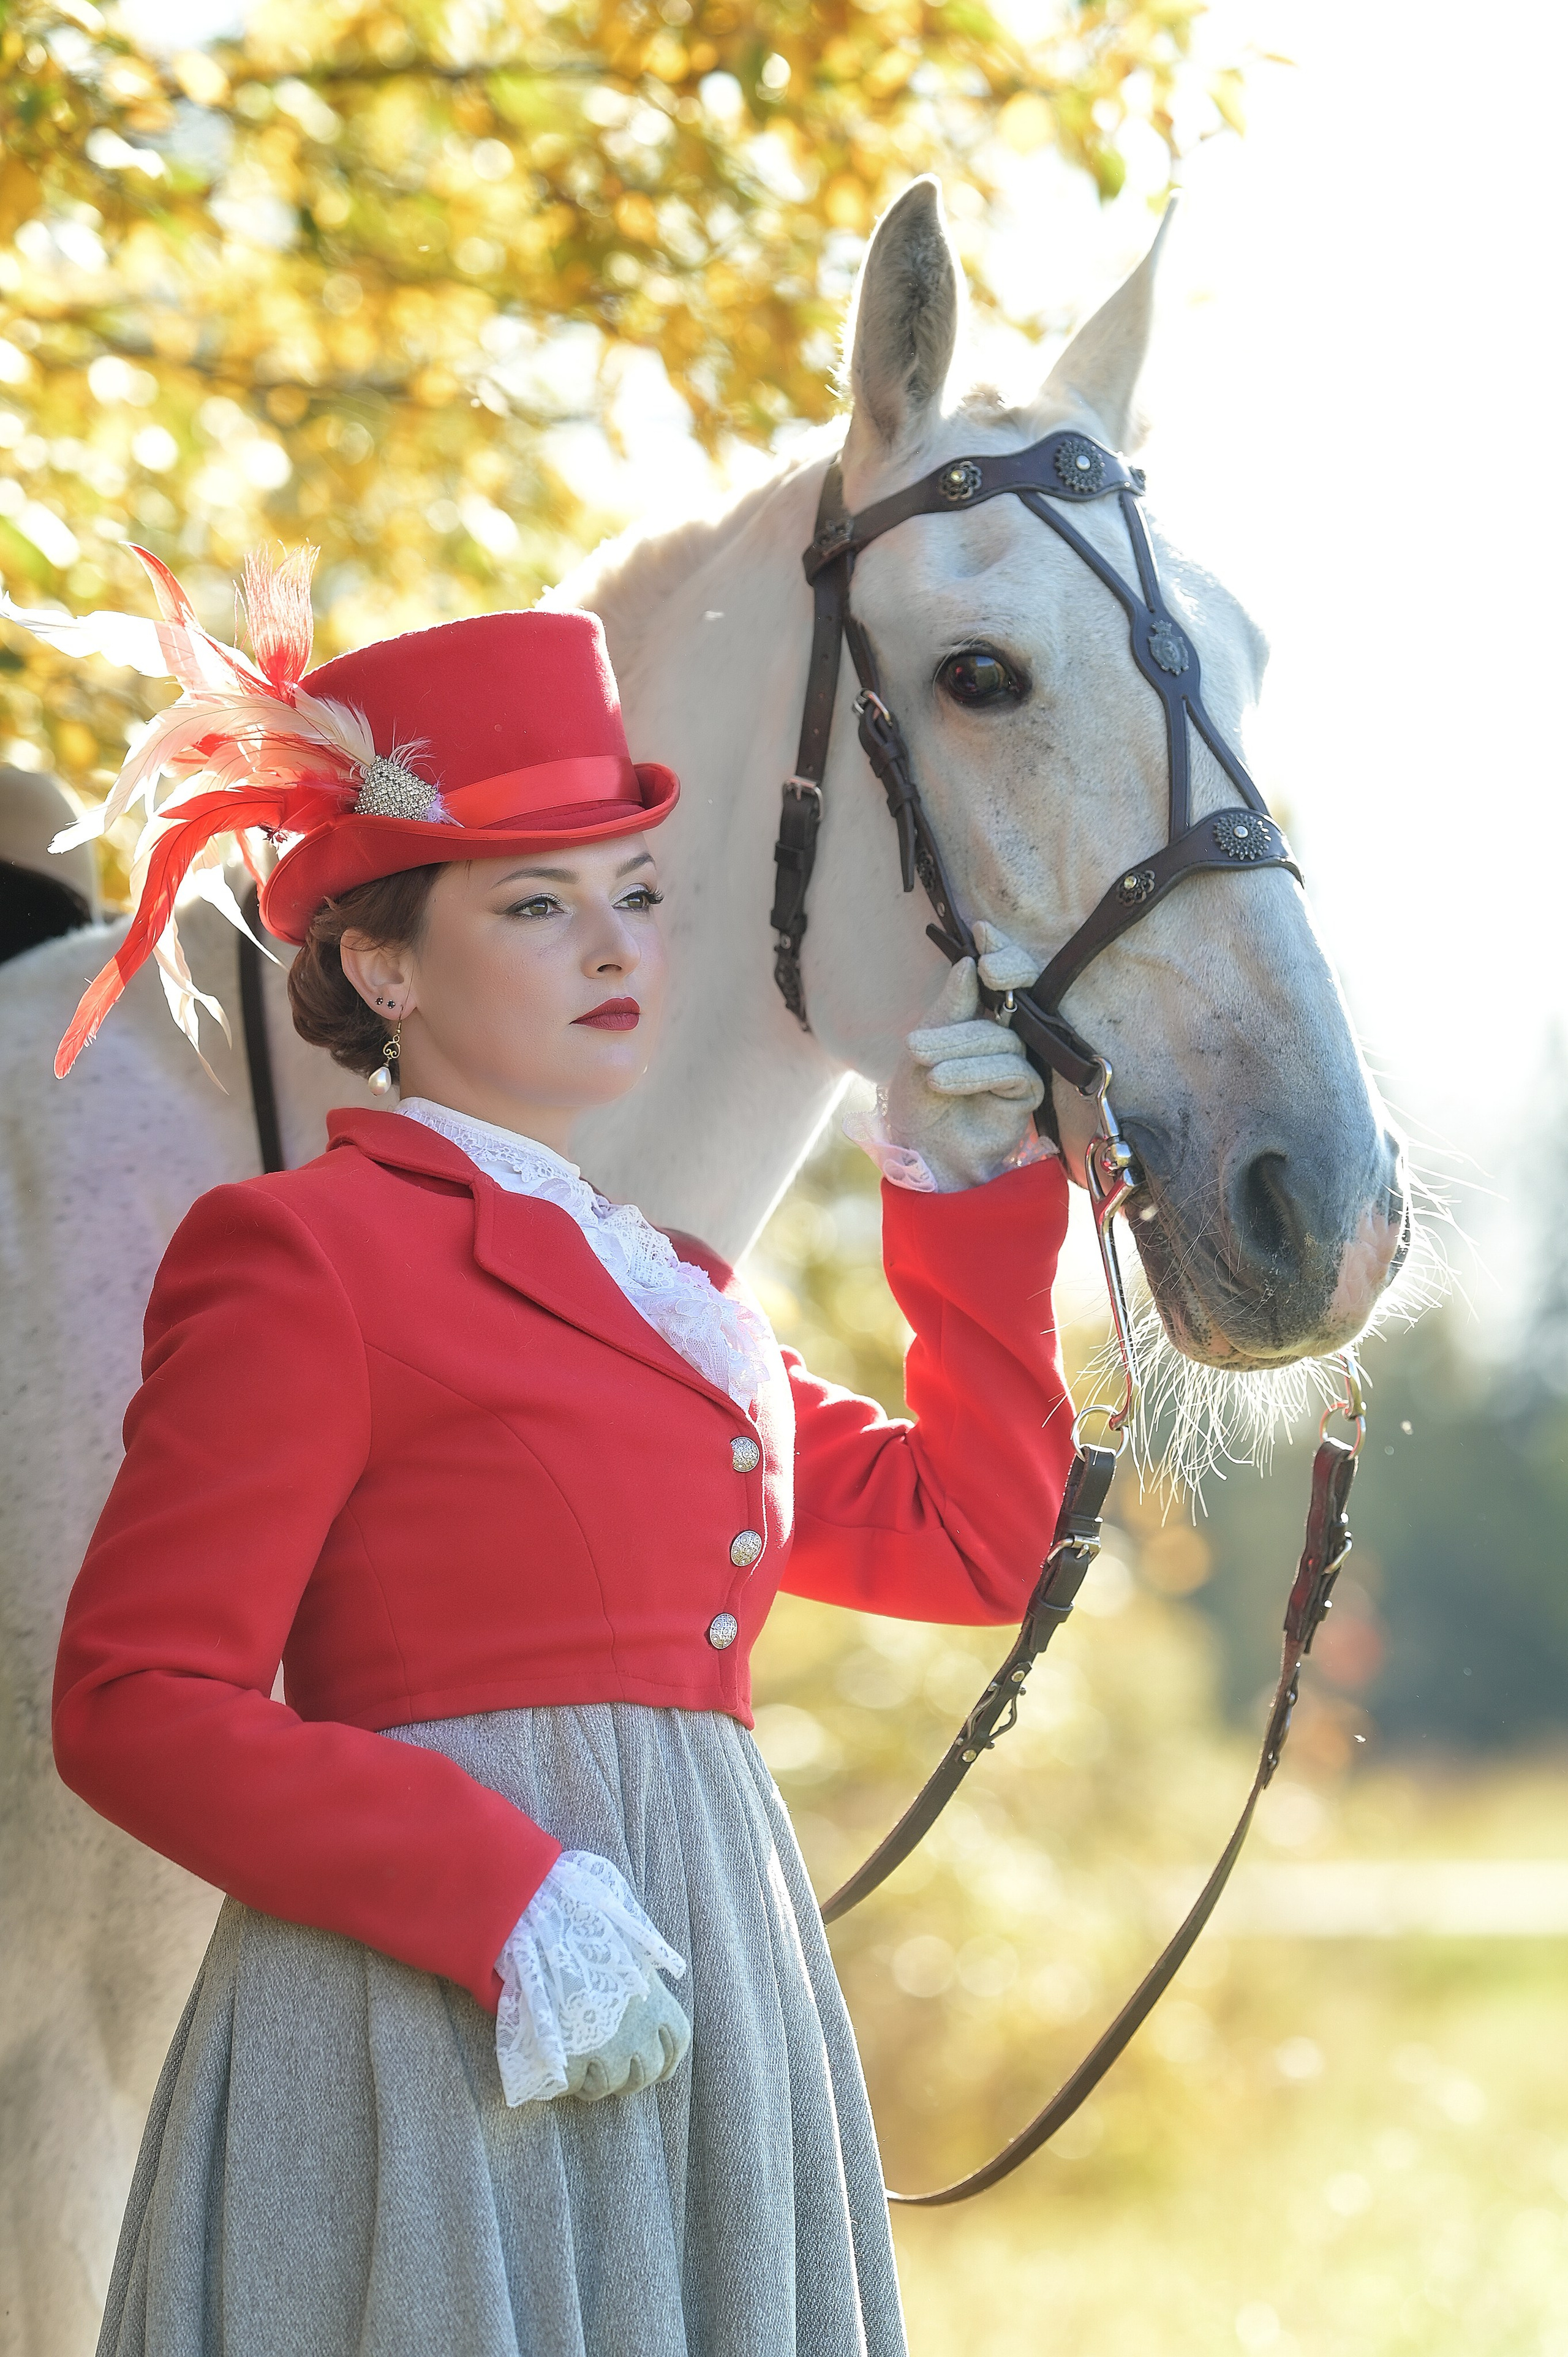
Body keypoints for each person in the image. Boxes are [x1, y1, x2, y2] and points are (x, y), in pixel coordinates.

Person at [29, 548, 1076, 2356]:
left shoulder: (679, 1294)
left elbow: (972, 1540)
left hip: (710, 1999)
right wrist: (501, 1898)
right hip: (429, 2019)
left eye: (639, 891)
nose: (614, 946)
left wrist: (966, 1209)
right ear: (381, 964)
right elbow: (134, 1698)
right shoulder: (303, 1254)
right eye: (534, 906)